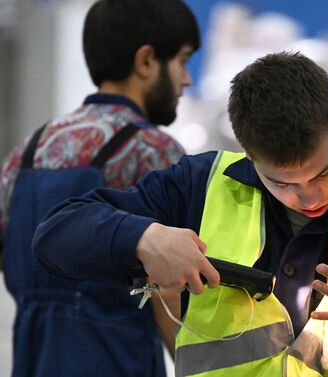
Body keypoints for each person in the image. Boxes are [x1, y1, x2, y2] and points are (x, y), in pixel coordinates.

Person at [33, 52, 328, 377]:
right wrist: (142, 238)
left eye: (323, 172)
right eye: (282, 183)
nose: (306, 197)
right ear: (249, 152)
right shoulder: (200, 185)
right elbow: (55, 235)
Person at [0, 0, 201, 375]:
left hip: (31, 362)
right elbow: (169, 292)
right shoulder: (154, 152)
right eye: (183, 61)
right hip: (118, 362)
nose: (186, 80)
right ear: (146, 62)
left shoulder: (24, 152)